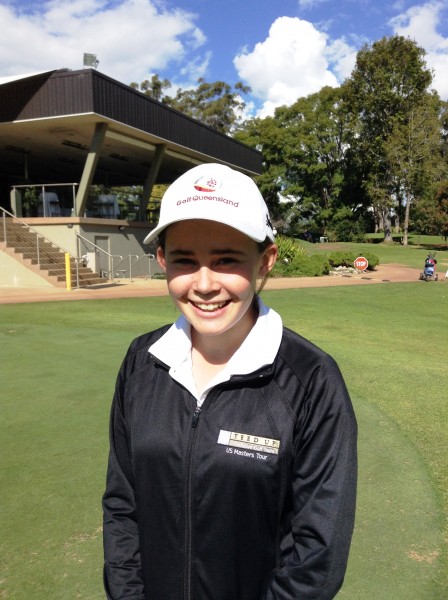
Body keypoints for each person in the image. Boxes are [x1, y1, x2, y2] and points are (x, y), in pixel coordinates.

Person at [102, 163, 357, 600]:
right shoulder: (141, 362)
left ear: (266, 261)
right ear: (163, 260)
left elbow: (318, 556)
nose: (204, 285)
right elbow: (122, 507)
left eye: (226, 260)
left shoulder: (311, 379)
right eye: (185, 260)